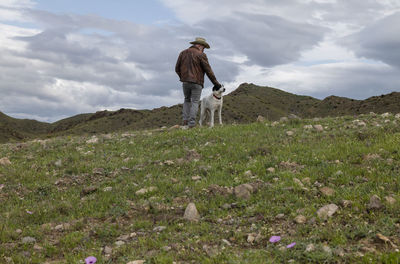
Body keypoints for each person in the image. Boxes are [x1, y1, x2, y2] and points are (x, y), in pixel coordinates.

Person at [175, 37, 221, 128]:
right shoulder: (201, 55)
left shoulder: (182, 53)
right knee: (195, 102)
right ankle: (191, 123)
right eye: (203, 48)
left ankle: (185, 121)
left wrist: (183, 77)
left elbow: (177, 69)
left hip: (185, 82)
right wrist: (216, 83)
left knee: (187, 100)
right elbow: (209, 71)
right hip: (197, 82)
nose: (203, 50)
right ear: (199, 45)